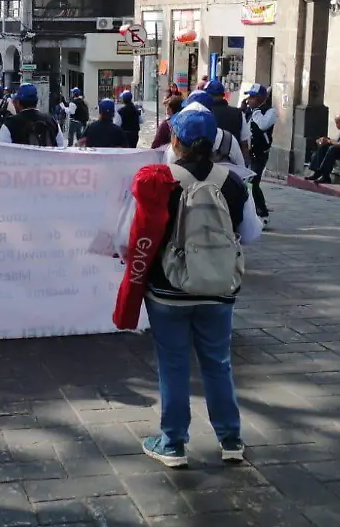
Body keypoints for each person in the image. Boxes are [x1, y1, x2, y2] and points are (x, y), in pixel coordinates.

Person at [128, 108, 261, 469]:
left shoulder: (158, 179)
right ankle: (231, 439)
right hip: (218, 288)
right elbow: (250, 234)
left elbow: (133, 236)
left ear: (175, 140)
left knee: (172, 365)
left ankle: (173, 443)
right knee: (218, 363)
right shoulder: (233, 183)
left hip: (168, 290)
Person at [244, 85, 276, 226]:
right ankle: (251, 212)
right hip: (248, 152)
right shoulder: (248, 111)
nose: (249, 100)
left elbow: (263, 125)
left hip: (260, 152)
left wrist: (255, 112)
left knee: (253, 182)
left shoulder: (269, 111)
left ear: (259, 99)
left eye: (252, 97)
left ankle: (263, 213)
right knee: (247, 182)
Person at [0, 83, 66, 147]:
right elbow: (61, 148)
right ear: (37, 101)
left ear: (18, 102)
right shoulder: (52, 121)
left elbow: (1, 152)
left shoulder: (9, 124)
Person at [206, 80, 251, 160]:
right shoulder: (238, 113)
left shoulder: (205, 113)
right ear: (223, 95)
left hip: (211, 162)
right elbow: (244, 142)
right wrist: (245, 164)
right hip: (234, 160)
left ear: (208, 94)